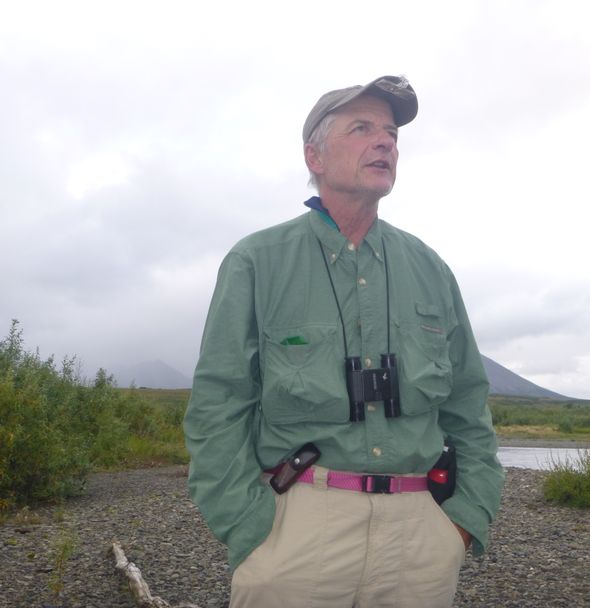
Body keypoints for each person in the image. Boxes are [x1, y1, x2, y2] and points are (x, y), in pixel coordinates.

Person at [183, 75, 503, 607]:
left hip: (419, 537)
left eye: (392, 133)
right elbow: (218, 403)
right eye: (362, 128)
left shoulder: (430, 268)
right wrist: (250, 530)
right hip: (298, 527)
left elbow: (469, 402)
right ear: (315, 156)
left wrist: (464, 520)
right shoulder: (257, 261)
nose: (386, 142)